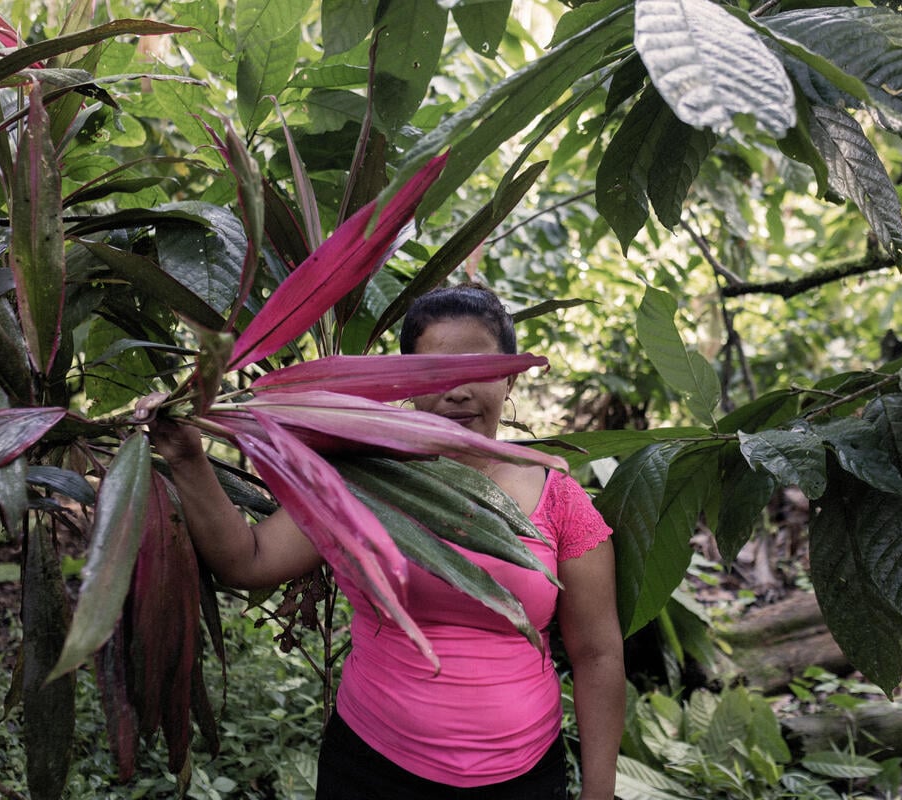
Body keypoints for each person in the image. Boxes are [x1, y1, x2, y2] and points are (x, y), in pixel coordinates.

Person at [149, 284, 625, 799]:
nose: (457, 390)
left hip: (524, 779)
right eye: (434, 373)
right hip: (372, 769)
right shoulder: (363, 480)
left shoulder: (561, 501)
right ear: (405, 382)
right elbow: (248, 559)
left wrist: (598, 792)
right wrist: (187, 457)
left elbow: (598, 654)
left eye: (479, 369)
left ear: (509, 376)